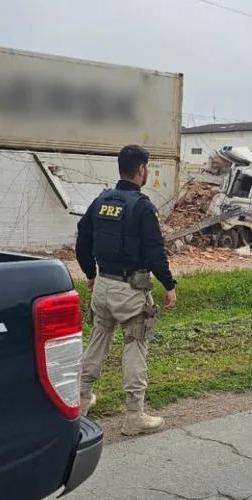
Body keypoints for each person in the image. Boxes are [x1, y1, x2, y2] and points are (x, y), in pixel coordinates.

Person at [75, 144, 177, 435]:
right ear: (141, 169)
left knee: (97, 341)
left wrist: (90, 273)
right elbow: (155, 252)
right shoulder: (142, 207)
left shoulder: (101, 200)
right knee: (135, 345)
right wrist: (169, 285)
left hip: (103, 288)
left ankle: (81, 400)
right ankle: (134, 415)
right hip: (130, 291)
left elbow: (82, 238)